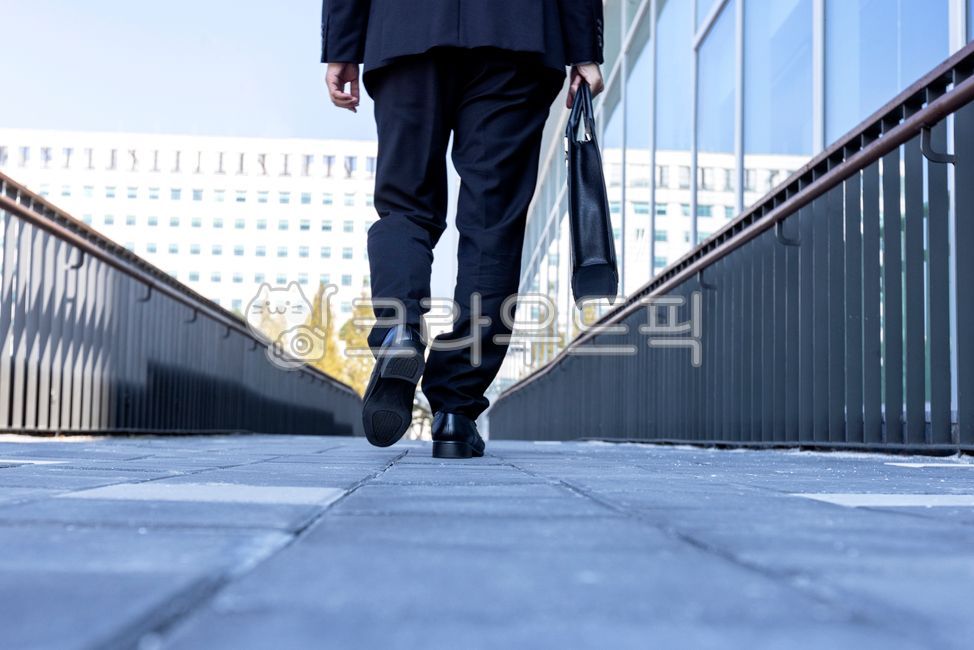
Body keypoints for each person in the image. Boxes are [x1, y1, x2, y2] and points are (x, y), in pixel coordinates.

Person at [322, 0, 604, 458]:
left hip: (405, 32)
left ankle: (400, 328)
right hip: (519, 36)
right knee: (493, 224)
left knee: (404, 207)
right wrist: (584, 48)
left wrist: (342, 45)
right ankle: (455, 408)